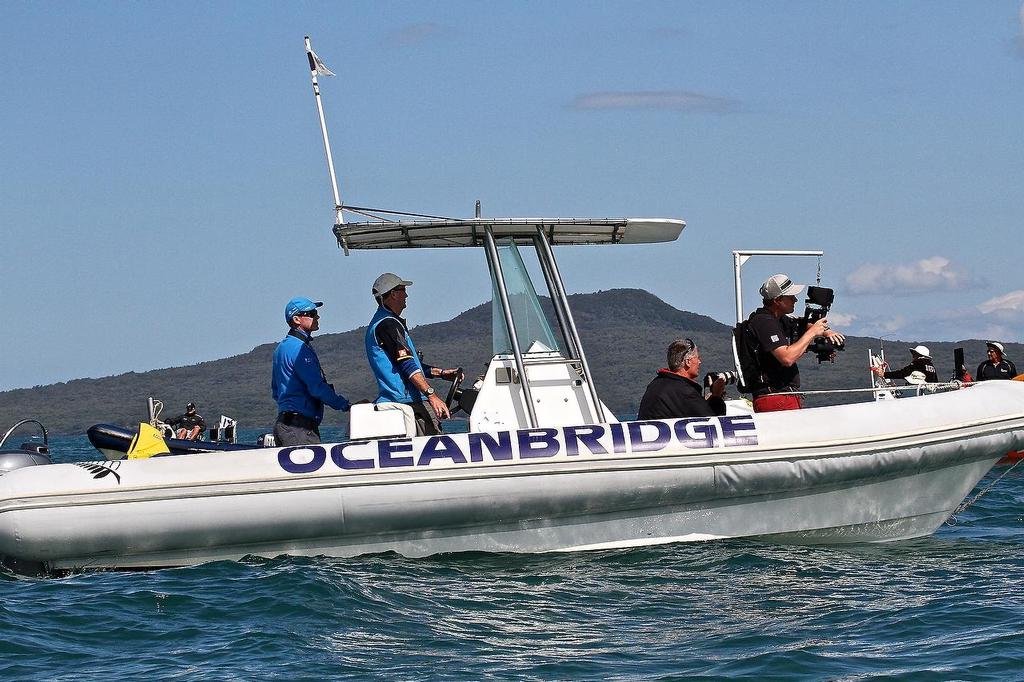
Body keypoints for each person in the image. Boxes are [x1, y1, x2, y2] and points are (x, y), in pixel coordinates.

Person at [366, 273, 460, 436]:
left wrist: (441, 373)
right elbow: (407, 365)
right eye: (403, 290)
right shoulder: (388, 324)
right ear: (394, 294)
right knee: (434, 447)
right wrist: (431, 394)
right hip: (408, 401)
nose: (407, 295)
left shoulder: (385, 322)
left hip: (404, 399)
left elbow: (408, 363)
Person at [745, 273, 846, 413]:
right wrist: (812, 333)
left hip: (782, 396)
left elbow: (804, 325)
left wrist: (826, 332)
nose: (796, 299)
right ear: (777, 300)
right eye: (791, 297)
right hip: (775, 397)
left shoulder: (778, 320)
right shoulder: (764, 322)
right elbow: (786, 358)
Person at [272, 296, 352, 446]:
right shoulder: (300, 349)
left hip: (285, 424)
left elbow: (276, 390)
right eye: (312, 314)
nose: (317, 316)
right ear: (296, 319)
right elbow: (317, 388)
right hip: (299, 427)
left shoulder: (281, 349)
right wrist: (345, 405)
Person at [637, 338, 726, 420]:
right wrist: (716, 396)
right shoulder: (685, 392)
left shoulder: (655, 384)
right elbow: (714, 424)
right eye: (698, 358)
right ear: (688, 362)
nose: (699, 362)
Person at [873, 345, 938, 385]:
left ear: (918, 355)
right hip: (929, 394)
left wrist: (884, 374)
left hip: (919, 393)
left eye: (914, 354)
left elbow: (903, 373)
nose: (913, 357)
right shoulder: (932, 366)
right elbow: (936, 382)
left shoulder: (918, 363)